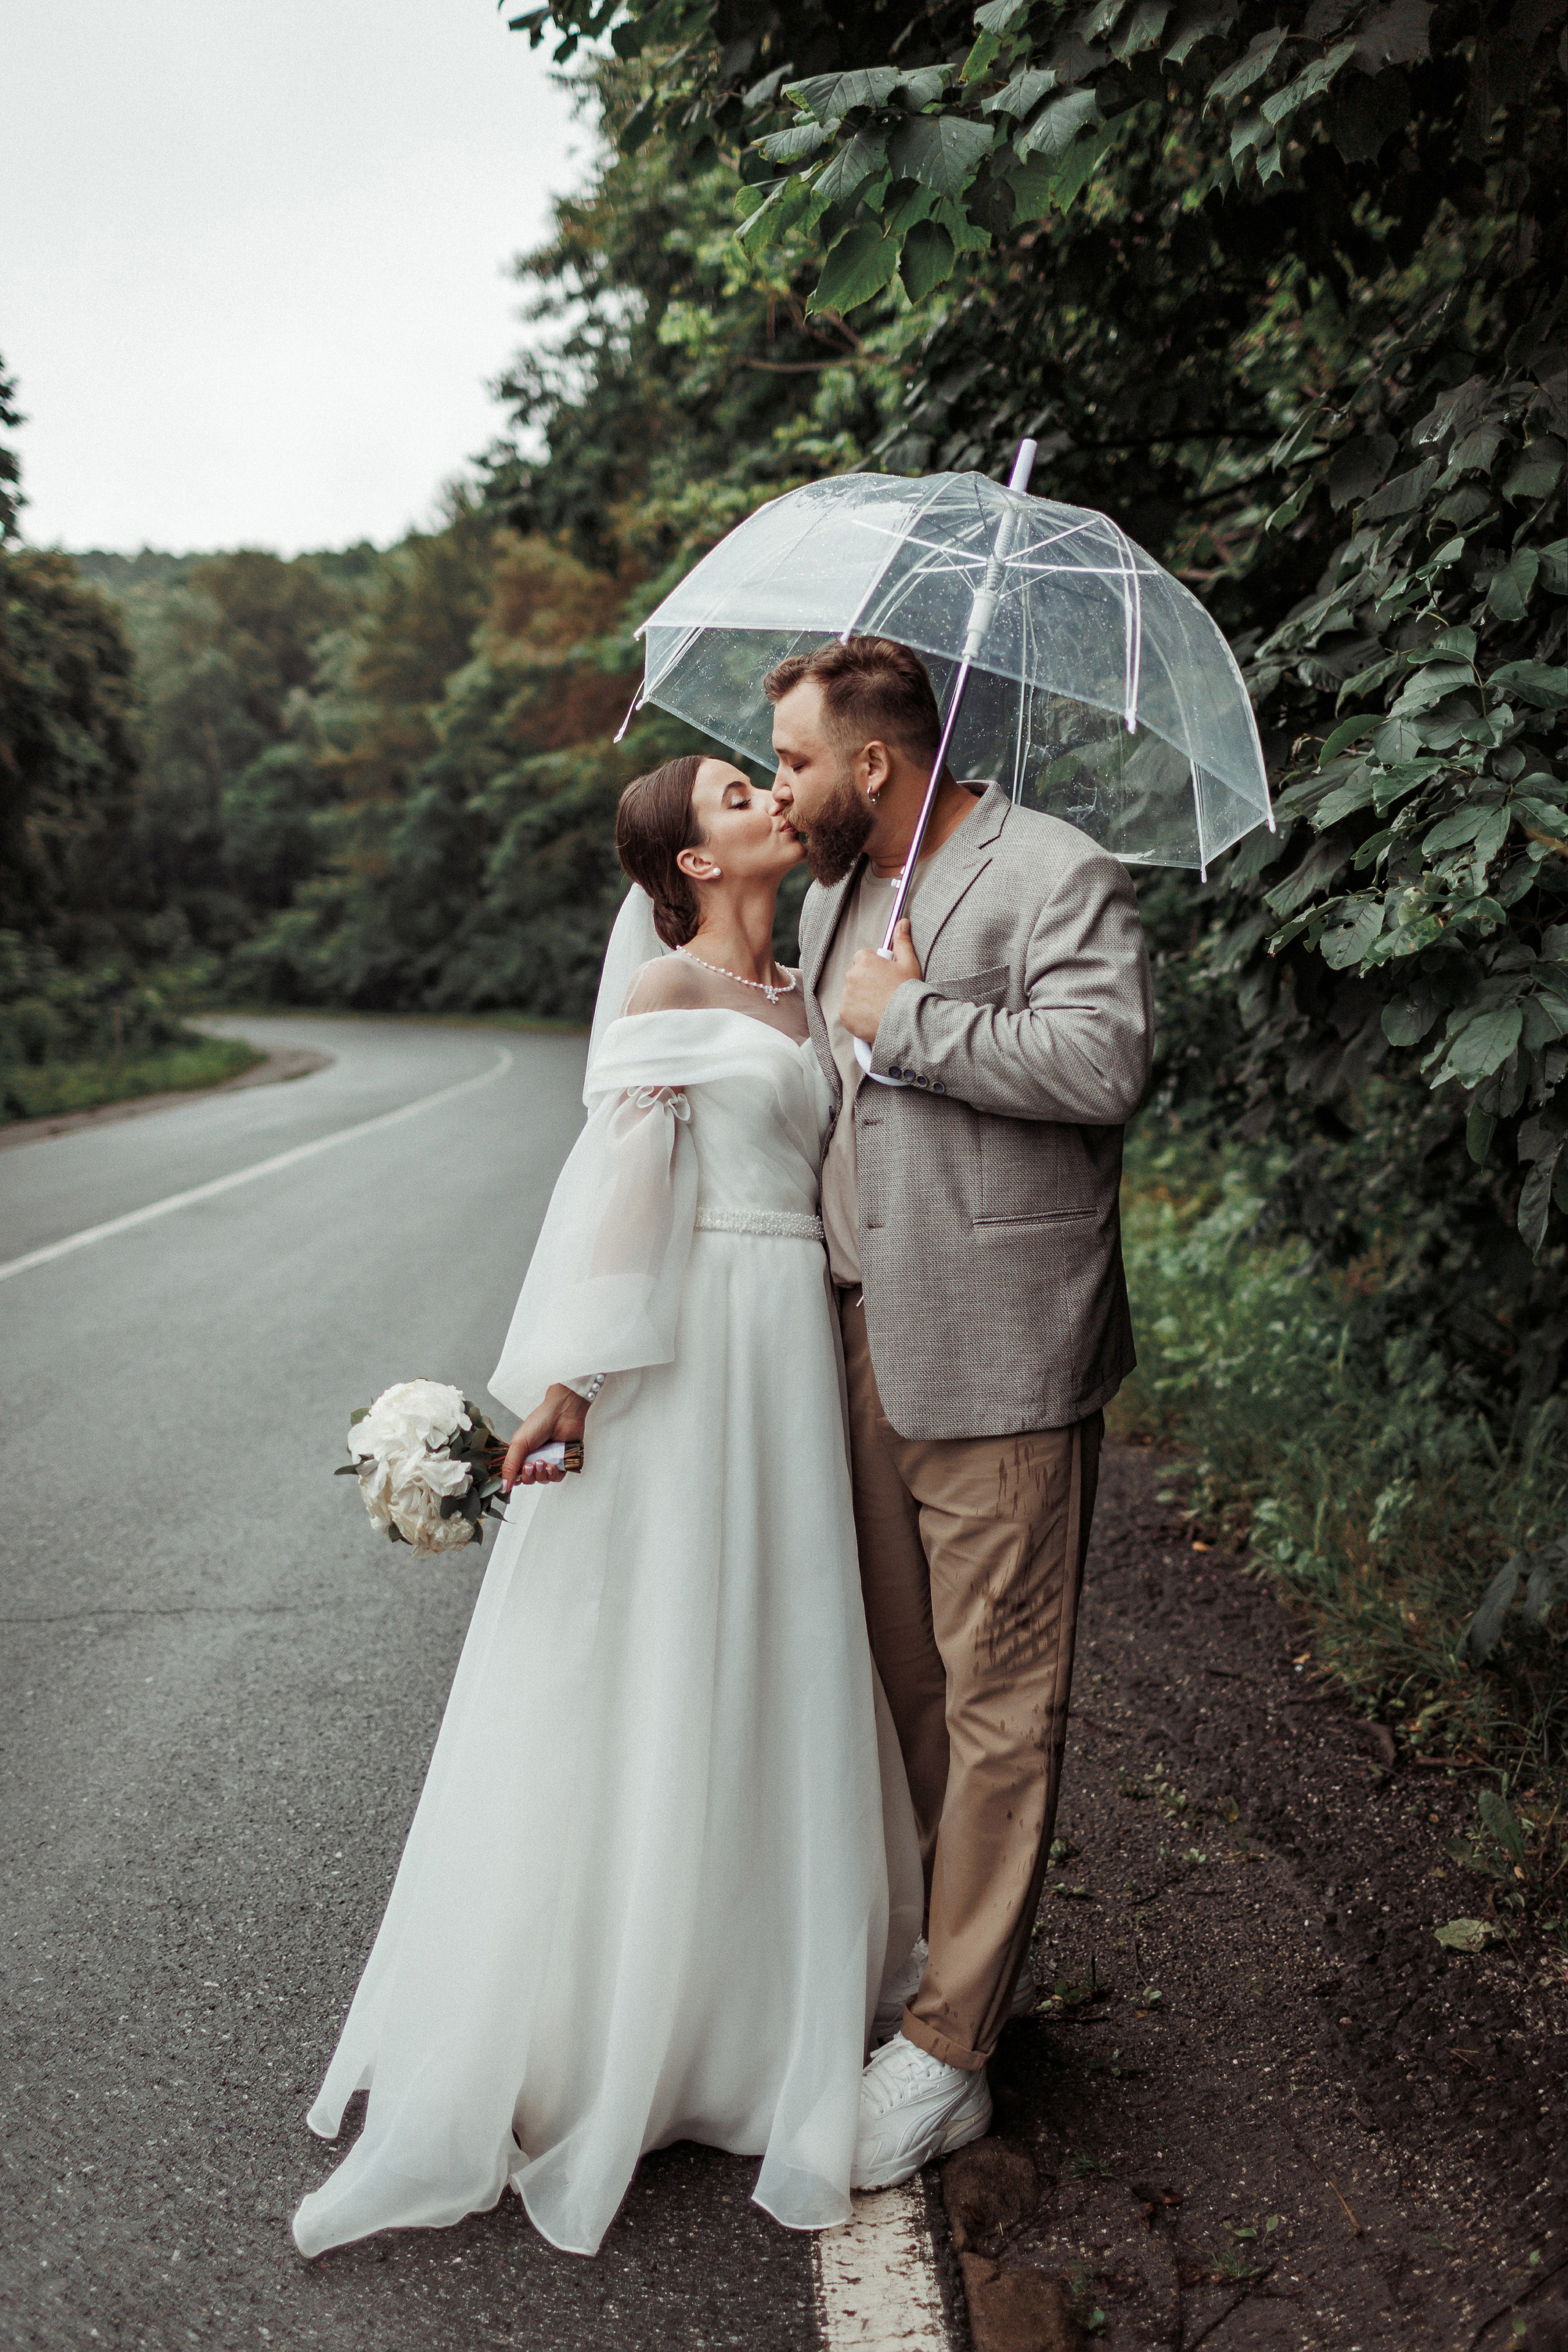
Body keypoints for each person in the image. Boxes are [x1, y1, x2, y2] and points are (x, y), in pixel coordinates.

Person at [292, 753, 922, 2262]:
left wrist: (884, 1012)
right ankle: (604, 2013)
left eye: (763, 784)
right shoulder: (665, 1003)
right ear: (690, 866)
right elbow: (620, 1193)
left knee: (775, 1639)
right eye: (733, 796)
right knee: (651, 1642)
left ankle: (747, 1998)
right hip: (693, 1341)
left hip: (792, 1336)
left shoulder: (810, 977)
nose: (771, 801)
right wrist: (569, 1387)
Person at [767, 636, 1155, 2191]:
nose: (780, 786)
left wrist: (911, 1018)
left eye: (793, 760)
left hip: (1001, 1351)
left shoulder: (1052, 870)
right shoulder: (831, 889)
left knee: (1002, 1707)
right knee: (909, 1690)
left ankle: (944, 2054)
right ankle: (957, 1981)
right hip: (860, 1336)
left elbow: (1105, 1062)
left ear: (872, 762)